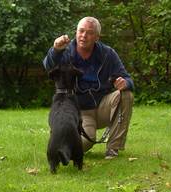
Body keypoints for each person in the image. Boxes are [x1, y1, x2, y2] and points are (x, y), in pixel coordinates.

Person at [43, 16, 134, 159]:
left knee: (126, 94)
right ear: (76, 32)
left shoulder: (107, 54)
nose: (84, 36)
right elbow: (48, 66)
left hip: (103, 106)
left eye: (89, 32)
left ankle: (113, 149)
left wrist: (125, 83)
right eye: (81, 31)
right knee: (81, 145)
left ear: (97, 37)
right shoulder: (65, 52)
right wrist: (55, 50)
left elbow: (128, 78)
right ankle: (60, 145)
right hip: (80, 112)